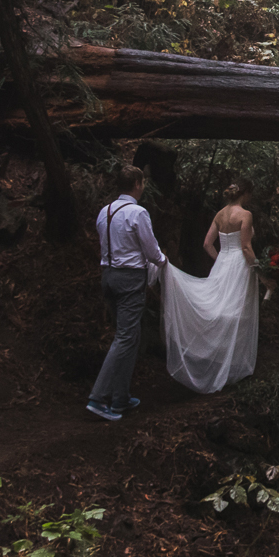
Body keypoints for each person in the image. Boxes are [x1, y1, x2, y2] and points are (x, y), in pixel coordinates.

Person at [160, 184, 265, 393]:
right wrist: (259, 269)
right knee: (238, 312)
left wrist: (222, 261)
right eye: (249, 193)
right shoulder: (245, 214)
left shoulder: (219, 214)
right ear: (244, 194)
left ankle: (219, 360)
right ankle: (233, 365)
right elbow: (245, 246)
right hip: (240, 265)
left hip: (223, 263)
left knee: (220, 307)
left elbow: (207, 244)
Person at [87, 166, 167, 421]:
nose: (143, 186)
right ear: (135, 184)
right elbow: (152, 253)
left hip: (108, 277)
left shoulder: (104, 211)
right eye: (142, 182)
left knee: (130, 337)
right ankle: (98, 398)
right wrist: (166, 263)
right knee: (124, 337)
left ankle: (120, 397)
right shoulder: (138, 213)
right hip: (130, 280)